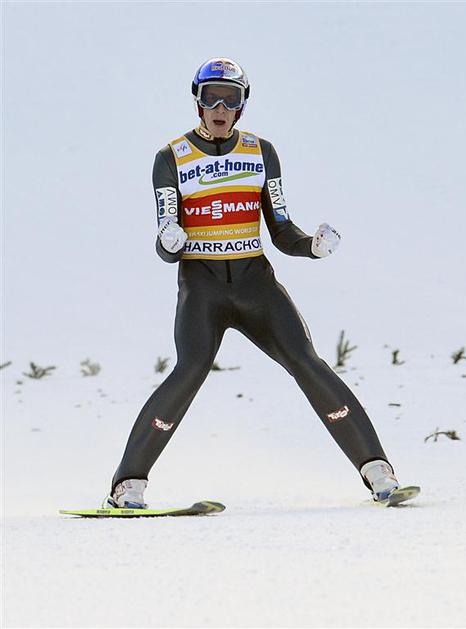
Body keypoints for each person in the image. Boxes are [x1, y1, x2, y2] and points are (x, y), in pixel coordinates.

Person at [104, 57, 415, 510]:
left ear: (242, 105)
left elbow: (282, 230)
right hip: (203, 287)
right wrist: (169, 242)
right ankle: (127, 485)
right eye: (212, 97)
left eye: (230, 99)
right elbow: (167, 237)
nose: (220, 108)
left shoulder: (260, 152)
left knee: (307, 362)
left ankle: (378, 471)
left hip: (256, 285)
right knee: (190, 370)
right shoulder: (171, 157)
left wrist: (312, 247)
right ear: (197, 101)